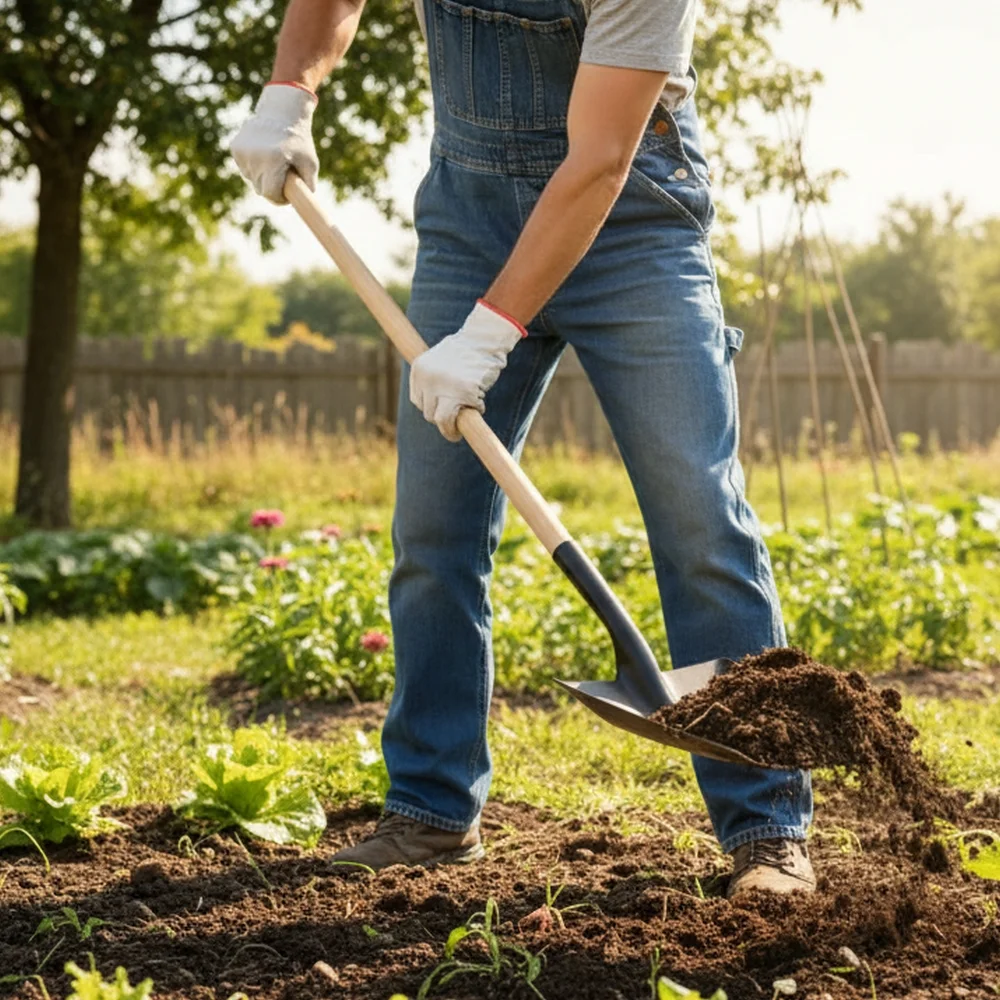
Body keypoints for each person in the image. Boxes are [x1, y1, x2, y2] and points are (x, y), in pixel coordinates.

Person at [232, 0, 815, 897]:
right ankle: (430, 812)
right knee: (433, 531)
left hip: (632, 222)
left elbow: (599, 160)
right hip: (470, 220)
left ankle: (766, 830)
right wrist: (289, 92)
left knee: (699, 517)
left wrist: (487, 334)